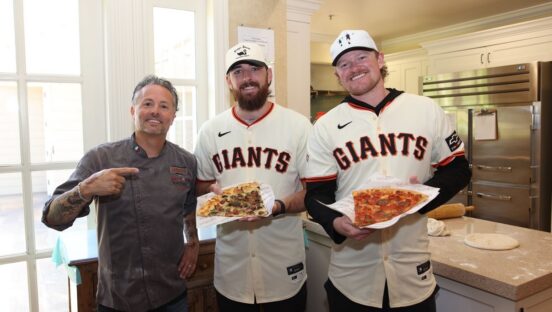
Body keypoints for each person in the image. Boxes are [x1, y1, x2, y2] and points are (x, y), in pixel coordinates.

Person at [304, 30, 472, 311]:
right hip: (351, 276)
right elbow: (316, 196)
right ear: (337, 74)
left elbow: (458, 169)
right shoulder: (325, 126)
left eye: (361, 57)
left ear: (380, 59)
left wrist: (417, 199)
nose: (354, 67)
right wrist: (335, 222)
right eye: (344, 64)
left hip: (412, 272)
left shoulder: (425, 109)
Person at [42, 75, 199, 312]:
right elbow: (51, 217)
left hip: (172, 294)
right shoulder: (101, 158)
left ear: (173, 116)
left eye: (164, 106)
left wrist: (193, 244)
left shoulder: (186, 161)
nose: (155, 111)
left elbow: (189, 206)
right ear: (133, 110)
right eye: (147, 104)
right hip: (119, 299)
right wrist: (87, 189)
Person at [194, 42, 312, 312]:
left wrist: (278, 206)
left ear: (268, 74)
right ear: (228, 81)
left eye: (254, 69)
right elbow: (199, 185)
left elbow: (313, 192)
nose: (247, 77)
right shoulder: (210, 131)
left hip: (284, 265)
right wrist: (212, 191)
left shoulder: (298, 126)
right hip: (232, 269)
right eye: (237, 71)